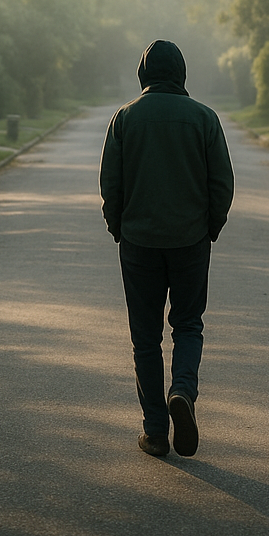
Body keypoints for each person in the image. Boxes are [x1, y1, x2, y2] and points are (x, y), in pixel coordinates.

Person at [99, 39, 235, 457]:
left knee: (145, 338)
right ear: (182, 73)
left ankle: (156, 432)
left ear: (143, 75)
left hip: (139, 243)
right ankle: (183, 391)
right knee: (189, 324)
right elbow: (222, 185)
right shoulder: (204, 118)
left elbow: (111, 184)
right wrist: (209, 229)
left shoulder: (125, 118)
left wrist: (119, 227)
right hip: (190, 241)